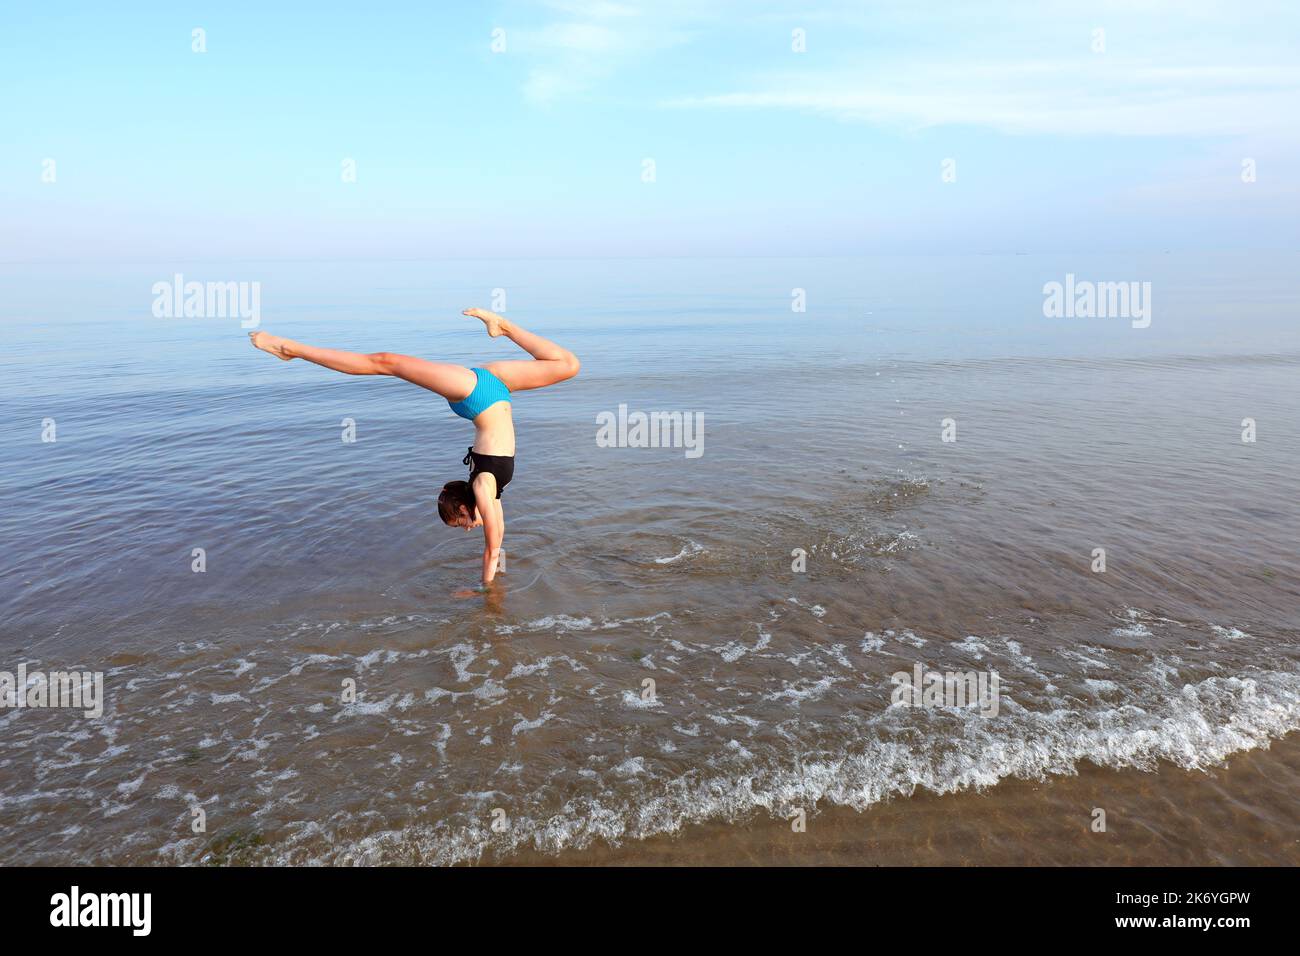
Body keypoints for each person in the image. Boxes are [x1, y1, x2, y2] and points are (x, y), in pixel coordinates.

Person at [249, 307, 579, 587]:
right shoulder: (490, 494)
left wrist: (486, 596)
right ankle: (503, 326)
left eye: (460, 522)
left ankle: (290, 349)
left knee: (385, 362)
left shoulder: (483, 487)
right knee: (567, 365)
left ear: (464, 508)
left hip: (476, 392)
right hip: (496, 390)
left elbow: (492, 549)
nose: (467, 528)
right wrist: (490, 588)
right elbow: (498, 541)